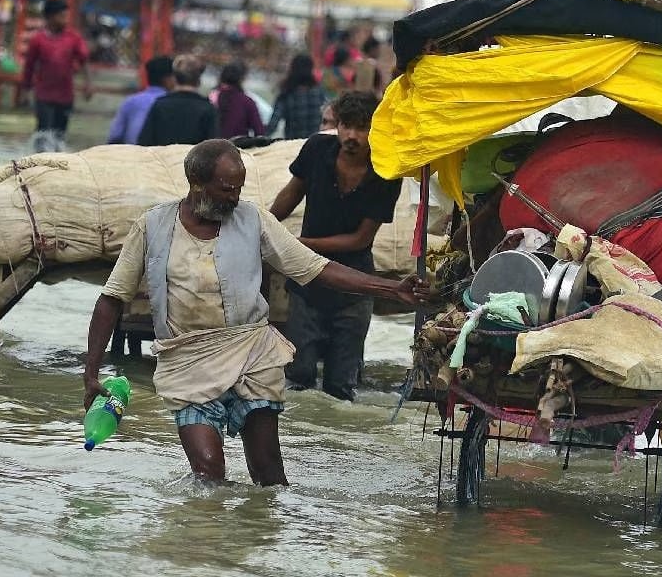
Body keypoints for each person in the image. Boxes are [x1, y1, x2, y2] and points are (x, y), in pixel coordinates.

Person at [83, 139, 427, 485]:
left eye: (239, 189)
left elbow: (313, 267)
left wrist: (391, 288)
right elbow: (112, 298)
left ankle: (260, 536)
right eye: (226, 189)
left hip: (252, 355)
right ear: (196, 182)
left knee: (269, 475)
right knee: (207, 474)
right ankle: (201, 538)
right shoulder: (152, 226)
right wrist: (91, 373)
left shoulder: (254, 219)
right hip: (186, 360)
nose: (234, 197)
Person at [269, 92, 403, 401]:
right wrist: (264, 225)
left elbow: (361, 239)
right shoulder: (317, 149)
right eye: (346, 125)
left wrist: (300, 244)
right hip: (307, 285)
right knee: (298, 378)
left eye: (362, 127)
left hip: (353, 291)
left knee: (341, 387)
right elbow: (291, 194)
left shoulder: (385, 172)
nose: (352, 136)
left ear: (376, 129)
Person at [20, 0, 91, 147]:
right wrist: (25, 91)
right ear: (50, 17)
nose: (65, 20)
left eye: (66, 16)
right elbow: (29, 66)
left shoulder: (73, 38)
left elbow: (84, 60)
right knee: (43, 133)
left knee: (60, 135)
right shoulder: (38, 40)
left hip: (65, 95)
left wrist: (87, 84)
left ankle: (57, 164)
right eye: (62, 16)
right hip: (43, 95)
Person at [138, 55, 218, 147]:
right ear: (199, 80)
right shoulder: (208, 108)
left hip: (163, 160)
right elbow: (213, 148)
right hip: (193, 161)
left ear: (175, 78)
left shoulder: (159, 105)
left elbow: (144, 142)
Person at [108, 56, 175, 144]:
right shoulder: (173, 103)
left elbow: (115, 136)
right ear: (167, 79)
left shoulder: (131, 101)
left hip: (132, 153)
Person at [268, 54, 328, 139]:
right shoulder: (319, 93)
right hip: (315, 143)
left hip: (294, 145)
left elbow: (273, 123)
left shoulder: (287, 94)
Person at [212, 61, 266, 139]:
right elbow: (260, 132)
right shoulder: (247, 102)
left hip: (212, 148)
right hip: (238, 147)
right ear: (241, 79)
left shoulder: (211, 97)